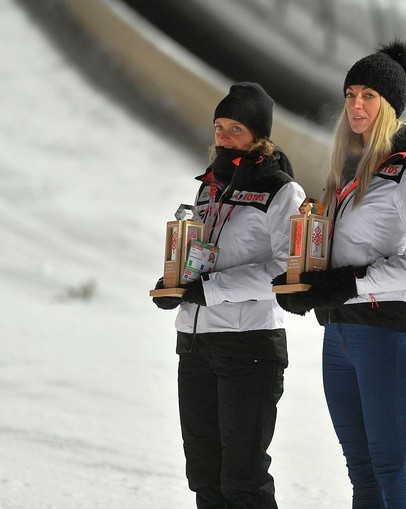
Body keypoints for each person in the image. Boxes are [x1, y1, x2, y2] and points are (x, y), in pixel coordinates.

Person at [274, 40, 406, 508]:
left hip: (385, 334)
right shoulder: (350, 171)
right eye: (351, 94)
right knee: (362, 471)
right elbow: (336, 252)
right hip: (342, 334)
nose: (356, 105)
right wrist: (308, 285)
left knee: (391, 467)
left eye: (368, 95)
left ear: (389, 106)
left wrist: (349, 282)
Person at [152, 82, 306, 509]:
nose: (222, 136)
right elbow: (198, 256)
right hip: (197, 343)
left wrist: (210, 290)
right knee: (204, 474)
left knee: (243, 477)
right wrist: (175, 286)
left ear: (259, 137)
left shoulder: (282, 191)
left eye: (234, 128)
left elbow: (283, 268)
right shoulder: (209, 188)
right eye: (218, 126)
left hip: (249, 345)